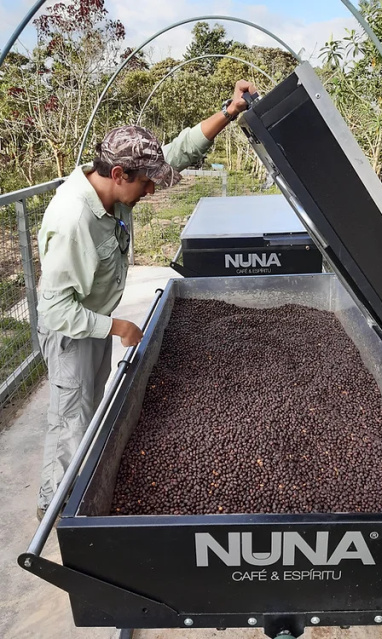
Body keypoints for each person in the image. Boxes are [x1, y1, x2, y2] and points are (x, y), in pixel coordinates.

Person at [36, 80, 257, 520]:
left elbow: (177, 151)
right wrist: (117, 327)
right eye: (146, 185)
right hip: (70, 330)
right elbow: (56, 309)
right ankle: (57, 515)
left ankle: (77, 491)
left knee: (88, 407)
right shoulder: (73, 219)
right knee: (70, 420)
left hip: (93, 317)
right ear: (119, 175)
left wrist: (230, 112)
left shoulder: (114, 184)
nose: (152, 192)